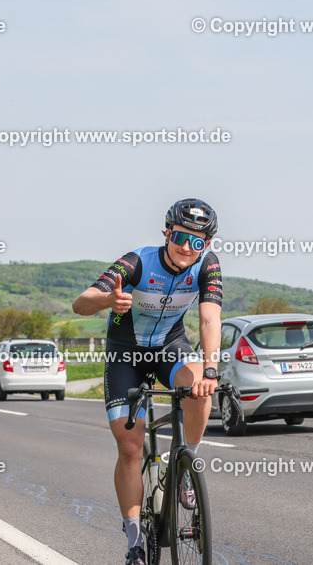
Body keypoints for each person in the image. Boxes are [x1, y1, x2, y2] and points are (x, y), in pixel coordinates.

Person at [72, 198, 223, 565]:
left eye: (198, 241)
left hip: (170, 347)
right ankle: (135, 538)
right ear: (168, 233)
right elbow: (81, 303)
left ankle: (185, 467)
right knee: (130, 447)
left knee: (200, 392)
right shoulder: (137, 261)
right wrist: (109, 299)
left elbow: (209, 320)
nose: (188, 247)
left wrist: (211, 370)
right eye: (181, 237)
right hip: (126, 354)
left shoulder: (207, 265)